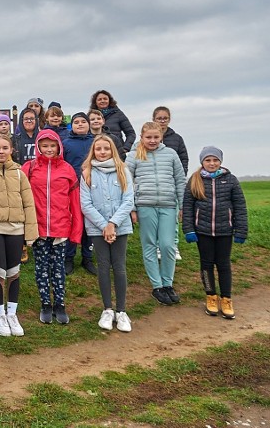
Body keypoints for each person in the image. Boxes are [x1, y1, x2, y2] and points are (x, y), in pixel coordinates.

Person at [0, 134, 38, 337]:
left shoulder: (20, 174)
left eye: (5, 148)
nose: (1, 151)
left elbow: (28, 203)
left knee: (14, 271)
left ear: (11, 150)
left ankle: (12, 313)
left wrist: (30, 233)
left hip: (16, 230)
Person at [21, 129, 83, 325]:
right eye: (44, 145)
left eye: (52, 145)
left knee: (58, 269)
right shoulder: (29, 168)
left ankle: (60, 304)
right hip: (38, 227)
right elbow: (21, 198)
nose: (48, 149)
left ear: (59, 146)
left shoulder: (67, 170)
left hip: (61, 228)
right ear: (38, 146)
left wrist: (76, 231)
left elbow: (75, 202)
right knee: (41, 268)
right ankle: (45, 304)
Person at [182, 146, 248, 319]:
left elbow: (240, 207)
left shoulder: (231, 180)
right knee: (206, 264)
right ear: (202, 162)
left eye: (215, 160)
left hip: (225, 231)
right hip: (202, 231)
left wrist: (241, 231)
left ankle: (226, 299)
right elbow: (188, 207)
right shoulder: (194, 180)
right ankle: (211, 296)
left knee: (224, 264)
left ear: (220, 161)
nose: (212, 163)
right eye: (208, 160)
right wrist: (188, 229)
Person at [127, 122, 186, 306]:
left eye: (156, 137)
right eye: (148, 137)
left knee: (168, 246)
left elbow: (179, 180)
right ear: (141, 137)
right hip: (145, 206)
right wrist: (132, 209)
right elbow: (126, 184)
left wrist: (183, 206)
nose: (152, 141)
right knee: (150, 245)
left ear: (161, 137)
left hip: (168, 205)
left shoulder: (170, 154)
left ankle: (168, 283)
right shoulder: (133, 155)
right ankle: (157, 286)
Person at [80, 135, 135, 332]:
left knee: (119, 267)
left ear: (112, 150)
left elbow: (128, 200)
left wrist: (113, 224)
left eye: (106, 148)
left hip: (120, 227)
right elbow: (86, 204)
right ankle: (107, 309)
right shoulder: (87, 173)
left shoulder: (123, 170)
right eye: (98, 149)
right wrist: (104, 225)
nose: (102, 152)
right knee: (103, 266)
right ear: (93, 151)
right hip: (97, 228)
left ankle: (121, 311)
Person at [154, 105, 189, 261]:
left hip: (171, 184)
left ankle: (173, 246)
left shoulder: (176, 138)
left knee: (172, 217)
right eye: (159, 118)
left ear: (169, 119)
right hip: (153, 185)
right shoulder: (148, 137)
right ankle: (157, 247)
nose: (162, 121)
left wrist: (179, 177)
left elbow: (183, 159)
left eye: (165, 118)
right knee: (155, 220)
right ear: (153, 119)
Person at [63, 112, 95, 275]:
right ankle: (69, 258)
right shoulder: (66, 143)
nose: (80, 124)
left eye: (83, 121)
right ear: (72, 125)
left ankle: (87, 257)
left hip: (92, 189)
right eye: (76, 122)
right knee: (73, 223)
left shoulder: (95, 142)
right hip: (73, 189)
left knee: (89, 224)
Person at [89, 90, 135, 158]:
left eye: (105, 99)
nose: (102, 101)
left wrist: (125, 148)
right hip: (98, 153)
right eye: (99, 99)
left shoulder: (118, 114)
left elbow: (131, 133)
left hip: (116, 151)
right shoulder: (90, 115)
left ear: (109, 100)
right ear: (95, 102)